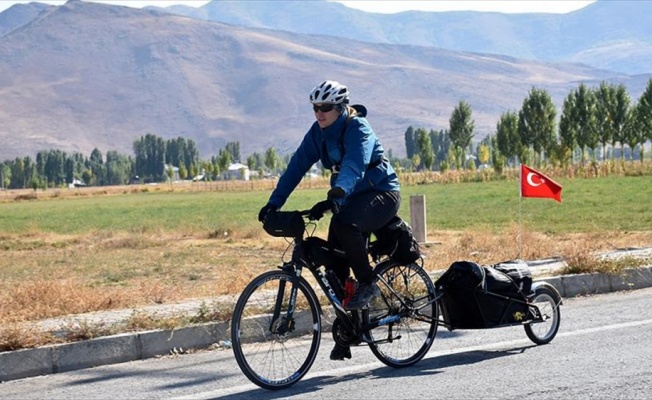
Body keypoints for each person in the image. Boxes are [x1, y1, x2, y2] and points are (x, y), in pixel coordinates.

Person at [257, 80, 401, 361]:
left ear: (341, 108)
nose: (319, 113)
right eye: (315, 108)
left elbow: (354, 165)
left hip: (381, 193)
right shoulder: (317, 133)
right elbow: (296, 166)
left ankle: (368, 282)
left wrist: (337, 193)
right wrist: (273, 203)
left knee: (347, 226)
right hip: (346, 199)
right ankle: (349, 330)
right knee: (335, 264)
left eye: (325, 108)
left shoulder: (358, 128)